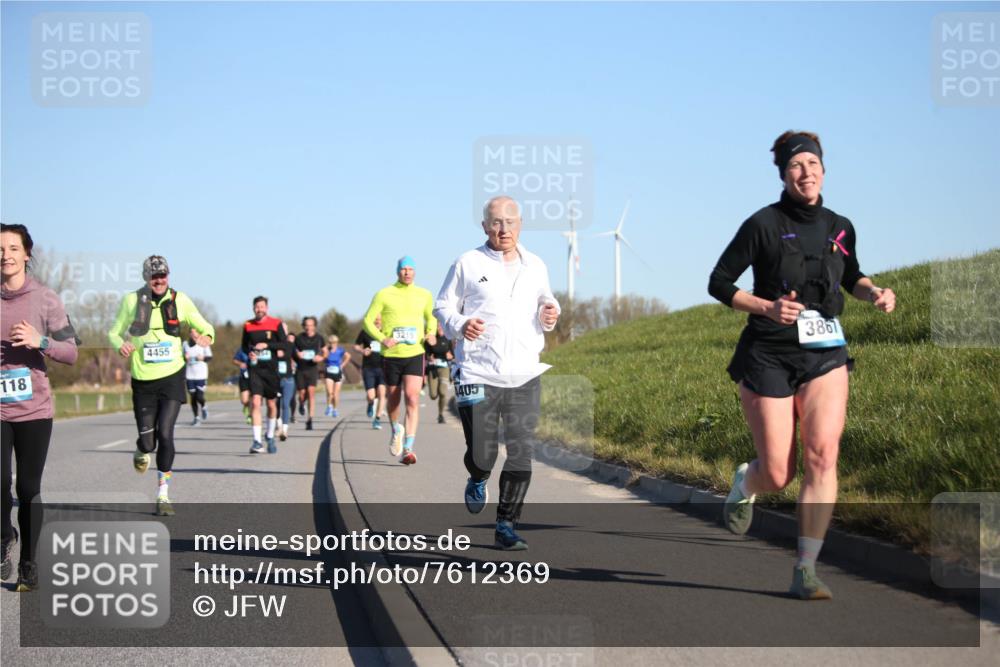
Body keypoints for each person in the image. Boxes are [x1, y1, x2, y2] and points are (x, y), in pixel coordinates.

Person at [708, 130, 896, 600]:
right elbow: (719, 281)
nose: (806, 172)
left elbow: (851, 274)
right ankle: (744, 482)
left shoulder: (840, 225)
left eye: (813, 164)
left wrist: (873, 291)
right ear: (784, 174)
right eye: (796, 165)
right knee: (778, 473)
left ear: (824, 171)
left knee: (822, 456)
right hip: (768, 352)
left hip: (825, 354)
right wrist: (765, 307)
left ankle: (806, 567)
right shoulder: (763, 224)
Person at [434, 196, 559, 550]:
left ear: (520, 223)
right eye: (496, 222)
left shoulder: (535, 264)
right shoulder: (467, 263)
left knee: (521, 450)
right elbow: (442, 306)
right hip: (476, 370)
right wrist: (459, 323)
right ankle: (478, 475)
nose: (503, 229)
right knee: (482, 452)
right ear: (485, 226)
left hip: (523, 372)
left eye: (510, 221)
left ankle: (506, 524)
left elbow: (546, 301)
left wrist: (550, 313)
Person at [1, 224, 79, 592]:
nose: (5, 254)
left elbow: (71, 352)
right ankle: (4, 538)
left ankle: (29, 562)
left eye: (13, 248)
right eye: (0, 248)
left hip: (34, 410)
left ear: (27, 254)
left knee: (28, 487)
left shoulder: (46, 299)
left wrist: (39, 340)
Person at [108, 255, 215, 517]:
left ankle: (163, 495)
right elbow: (113, 332)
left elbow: (206, 326)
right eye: (154, 276)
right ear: (146, 277)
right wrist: (119, 345)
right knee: (149, 442)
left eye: (163, 275)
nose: (159, 280)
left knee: (166, 433)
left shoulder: (181, 300)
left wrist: (205, 336)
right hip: (143, 379)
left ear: (169, 276)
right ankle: (141, 447)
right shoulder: (132, 301)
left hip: (172, 376)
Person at [363, 257, 437, 465]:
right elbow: (368, 320)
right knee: (393, 399)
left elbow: (431, 317)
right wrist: (382, 338)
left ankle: (408, 449)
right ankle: (396, 429)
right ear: (397, 271)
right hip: (392, 355)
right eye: (404, 269)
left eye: (411, 269)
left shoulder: (424, 294)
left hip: (415, 352)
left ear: (415, 272)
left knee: (412, 397)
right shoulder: (384, 294)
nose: (407, 273)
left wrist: (431, 332)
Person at [241, 296, 287, 454]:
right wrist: (251, 354)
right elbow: (244, 346)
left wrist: (267, 345)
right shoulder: (248, 325)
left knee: (271, 405)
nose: (259, 309)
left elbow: (285, 344)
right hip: (255, 370)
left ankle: (269, 435)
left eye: (261, 307)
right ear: (253, 308)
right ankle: (256, 441)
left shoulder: (276, 323)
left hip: (271, 371)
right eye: (256, 307)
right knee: (255, 402)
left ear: (266, 308)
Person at [355, 314, 387, 429]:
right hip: (369, 367)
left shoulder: (386, 332)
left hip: (383, 367)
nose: (377, 322)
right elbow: (356, 346)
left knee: (382, 394)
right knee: (371, 395)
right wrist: (363, 350)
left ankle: (377, 419)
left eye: (379, 320)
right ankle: (370, 403)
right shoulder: (365, 332)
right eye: (376, 320)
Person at [295, 316, 325, 429]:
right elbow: (293, 351)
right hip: (301, 369)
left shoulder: (319, 338)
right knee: (302, 394)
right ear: (303, 326)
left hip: (312, 369)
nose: (309, 327)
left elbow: (325, 352)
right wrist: (297, 355)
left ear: (314, 326)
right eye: (306, 325)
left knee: (311, 393)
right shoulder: (299, 338)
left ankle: (310, 419)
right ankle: (302, 403)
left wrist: (320, 357)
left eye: (311, 325)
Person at [425, 323, 454, 424]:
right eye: (437, 326)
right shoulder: (431, 339)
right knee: (433, 395)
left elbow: (452, 355)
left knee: (443, 392)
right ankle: (439, 411)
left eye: (441, 326)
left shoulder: (447, 339)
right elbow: (426, 354)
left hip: (444, 368)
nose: (439, 328)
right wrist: (429, 357)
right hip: (432, 369)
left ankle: (441, 414)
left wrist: (450, 356)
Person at [183, 328, 212, 425]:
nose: (194, 334)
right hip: (189, 374)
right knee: (193, 397)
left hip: (201, 374)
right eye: (191, 332)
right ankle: (196, 418)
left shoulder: (204, 344)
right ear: (190, 333)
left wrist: (202, 358)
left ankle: (204, 406)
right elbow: (180, 358)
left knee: (199, 396)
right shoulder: (185, 344)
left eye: (196, 332)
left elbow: (209, 357)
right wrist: (184, 357)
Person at [322, 335, 350, 419]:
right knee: (330, 392)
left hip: (338, 373)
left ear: (337, 343)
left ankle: (335, 409)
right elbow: (323, 358)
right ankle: (329, 406)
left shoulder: (340, 350)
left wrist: (342, 365)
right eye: (330, 343)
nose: (332, 344)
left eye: (334, 343)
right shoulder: (327, 350)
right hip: (329, 372)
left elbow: (348, 356)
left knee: (335, 393)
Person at [278, 332, 297, 441]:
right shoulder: (272, 345)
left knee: (285, 404)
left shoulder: (291, 346)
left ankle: (284, 429)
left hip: (288, 378)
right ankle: (278, 425)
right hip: (275, 379)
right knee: (275, 404)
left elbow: (298, 357)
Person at [232, 347, 252, 424]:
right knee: (244, 400)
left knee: (253, 398)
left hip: (255, 377)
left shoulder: (258, 348)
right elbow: (234, 360)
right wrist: (240, 363)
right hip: (244, 377)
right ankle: (245, 406)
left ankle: (250, 416)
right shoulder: (241, 349)